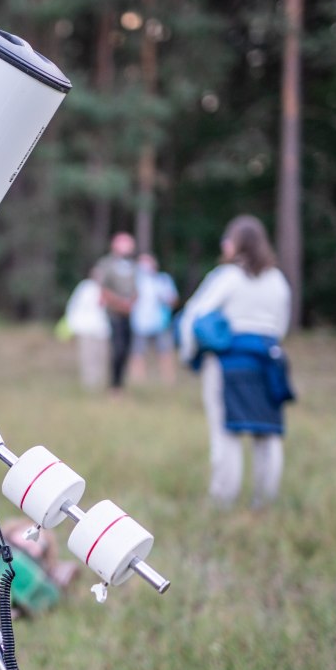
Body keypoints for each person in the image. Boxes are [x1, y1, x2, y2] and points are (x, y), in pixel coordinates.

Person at [178, 215, 292, 509]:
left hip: (229, 362)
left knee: (226, 432)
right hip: (268, 362)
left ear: (238, 243)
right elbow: (281, 326)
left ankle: (222, 500)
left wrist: (189, 354)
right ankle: (265, 501)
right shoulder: (277, 280)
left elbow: (195, 316)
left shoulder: (227, 277)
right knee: (268, 433)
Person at [93, 232, 138, 394]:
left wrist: (131, 302)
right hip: (113, 313)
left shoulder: (132, 266)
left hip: (128, 314)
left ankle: (120, 384)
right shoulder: (106, 264)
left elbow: (136, 289)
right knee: (117, 349)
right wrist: (120, 303)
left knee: (126, 349)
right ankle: (113, 385)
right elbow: (102, 289)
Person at [130, 253, 179, 386]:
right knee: (138, 353)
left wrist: (164, 297)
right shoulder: (135, 281)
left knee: (165, 352)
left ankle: (168, 380)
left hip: (160, 323)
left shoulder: (163, 280)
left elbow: (173, 300)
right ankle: (138, 380)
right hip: (140, 323)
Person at [63, 273, 110, 391]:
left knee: (102, 357)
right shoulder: (85, 287)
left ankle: (100, 384)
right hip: (86, 329)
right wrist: (73, 325)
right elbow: (74, 306)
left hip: (103, 330)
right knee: (88, 357)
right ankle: (89, 385)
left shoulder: (109, 289)